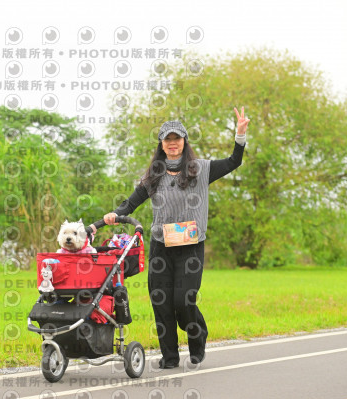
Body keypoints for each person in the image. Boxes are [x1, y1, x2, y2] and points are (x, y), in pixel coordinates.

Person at [99, 108, 250, 369]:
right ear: (161, 144)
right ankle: (169, 357)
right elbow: (131, 203)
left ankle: (197, 337)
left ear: (184, 141)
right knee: (161, 302)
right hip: (161, 248)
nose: (172, 143)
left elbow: (233, 162)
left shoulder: (201, 169)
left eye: (176, 138)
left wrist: (240, 135)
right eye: (167, 139)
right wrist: (115, 214)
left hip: (190, 247)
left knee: (183, 300)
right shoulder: (153, 175)